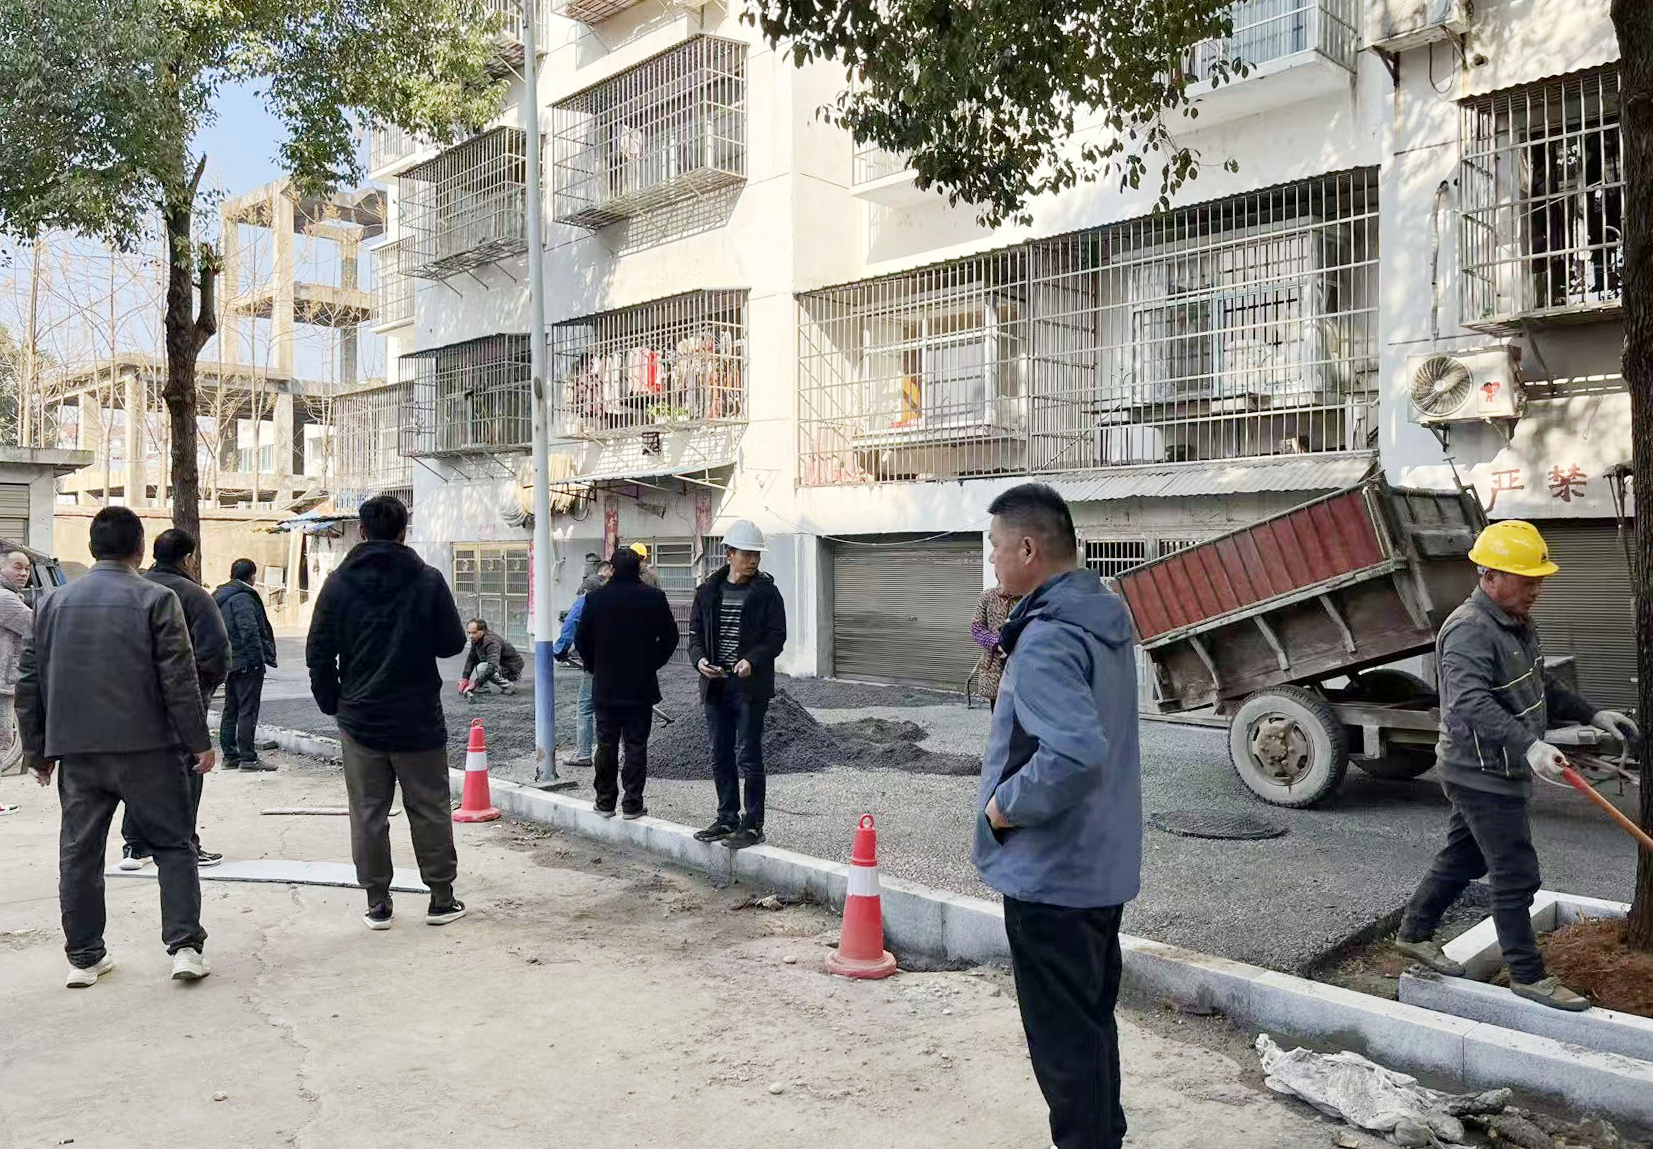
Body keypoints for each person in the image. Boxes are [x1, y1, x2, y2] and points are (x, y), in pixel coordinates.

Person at [1393, 520, 1638, 1012]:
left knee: (1465, 857)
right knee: (1516, 874)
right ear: (1490, 576)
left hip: (1500, 766)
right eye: (1527, 580)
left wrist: (1591, 713)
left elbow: (1540, 684)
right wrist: (1529, 745)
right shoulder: (1469, 630)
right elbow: (1469, 703)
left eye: (1539, 579)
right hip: (1479, 772)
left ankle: (1414, 932)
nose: (1536, 589)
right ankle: (1527, 976)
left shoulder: (1517, 622)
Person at [973, 483, 1141, 1149]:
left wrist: (1003, 808)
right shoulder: (1102, 618)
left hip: (1052, 874)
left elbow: (1074, 753)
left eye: (993, 546)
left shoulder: (1047, 637)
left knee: (1063, 1046)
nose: (991, 560)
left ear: (1026, 548)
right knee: (1090, 1025)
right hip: (1099, 865)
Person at [16, 507, 216, 986]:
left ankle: (84, 958)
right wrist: (198, 742)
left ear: (92, 547)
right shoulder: (158, 599)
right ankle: (184, 948)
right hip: (150, 749)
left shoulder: (51, 603)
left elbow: (30, 680)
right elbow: (179, 679)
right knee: (174, 845)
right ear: (139, 549)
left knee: (80, 853)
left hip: (78, 751)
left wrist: (38, 751)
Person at [307, 495, 469, 930]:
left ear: (362, 531)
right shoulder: (428, 580)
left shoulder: (338, 583)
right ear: (403, 532)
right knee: (429, 807)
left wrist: (333, 702)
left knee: (367, 812)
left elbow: (318, 651)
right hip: (418, 718)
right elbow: (452, 644)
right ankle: (441, 898)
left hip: (360, 719)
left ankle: (377, 903)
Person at [121, 529, 230, 870]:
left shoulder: (132, 589)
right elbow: (216, 654)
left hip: (130, 700)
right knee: (185, 772)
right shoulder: (194, 595)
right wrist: (202, 691)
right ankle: (185, 844)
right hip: (180, 700)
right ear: (188, 558)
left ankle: (135, 845)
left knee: (139, 771)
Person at [688, 521, 787, 850]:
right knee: (720, 753)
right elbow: (694, 636)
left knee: (748, 754)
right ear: (729, 554)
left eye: (756, 554)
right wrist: (700, 661)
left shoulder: (767, 593)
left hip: (749, 687)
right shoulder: (708, 592)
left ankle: (753, 824)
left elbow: (777, 637)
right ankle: (727, 818)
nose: (753, 560)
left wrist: (752, 661)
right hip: (716, 684)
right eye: (746, 554)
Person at [574, 547, 678, 819]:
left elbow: (581, 640)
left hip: (606, 685)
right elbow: (671, 638)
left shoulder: (595, 599)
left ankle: (605, 801)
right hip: (640, 686)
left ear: (612, 569)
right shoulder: (654, 598)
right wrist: (652, 663)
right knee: (635, 745)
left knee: (606, 745)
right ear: (638, 568)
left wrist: (595, 666)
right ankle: (632, 803)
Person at [213, 558, 277, 772]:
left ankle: (230, 756)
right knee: (247, 709)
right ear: (252, 576)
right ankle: (248, 758)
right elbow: (249, 631)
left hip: (228, 660)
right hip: (246, 662)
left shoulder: (220, 595)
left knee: (231, 708)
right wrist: (258, 661)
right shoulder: (243, 597)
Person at [553, 560, 611, 767]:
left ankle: (584, 754)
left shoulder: (587, 598)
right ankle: (618, 753)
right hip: (623, 662)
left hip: (596, 662)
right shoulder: (617, 598)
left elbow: (571, 623)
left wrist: (560, 649)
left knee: (586, 707)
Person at [0, 550, 34, 792]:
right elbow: (38, 625)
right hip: (1, 682)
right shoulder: (4, 599)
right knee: (3, 739)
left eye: (27, 569)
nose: (23, 573)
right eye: (17, 567)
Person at [969, 583, 1022, 708]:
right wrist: (997, 644)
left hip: (1021, 664)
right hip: (994, 666)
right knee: (998, 709)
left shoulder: (1029, 597)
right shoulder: (987, 596)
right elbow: (977, 628)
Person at [458, 619, 524, 700]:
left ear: (483, 630)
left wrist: (475, 684)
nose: (471, 636)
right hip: (501, 665)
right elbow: (471, 658)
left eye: (474, 632)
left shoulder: (492, 642)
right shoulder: (476, 639)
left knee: (482, 667)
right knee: (479, 660)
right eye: (469, 632)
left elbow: (492, 666)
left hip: (512, 670)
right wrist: (465, 679)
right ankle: (484, 687)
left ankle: (508, 686)